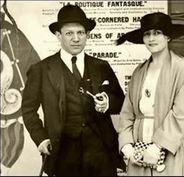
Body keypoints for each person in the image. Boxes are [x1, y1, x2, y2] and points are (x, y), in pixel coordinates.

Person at [22, 4, 125, 176]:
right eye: (69, 33)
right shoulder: (41, 69)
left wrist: (108, 102)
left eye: (80, 33)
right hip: (63, 153)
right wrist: (41, 139)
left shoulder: (101, 66)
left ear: (87, 35)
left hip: (102, 152)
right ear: (58, 35)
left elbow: (120, 101)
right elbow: (28, 109)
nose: (76, 39)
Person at [117, 12, 184, 176]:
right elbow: (127, 113)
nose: (151, 38)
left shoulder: (181, 69)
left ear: (167, 36)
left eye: (157, 33)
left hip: (167, 149)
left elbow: (181, 114)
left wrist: (157, 147)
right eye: (147, 34)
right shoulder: (139, 72)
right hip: (138, 150)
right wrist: (127, 146)